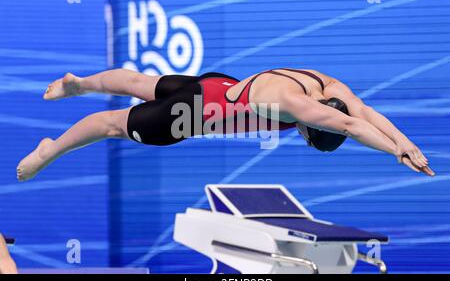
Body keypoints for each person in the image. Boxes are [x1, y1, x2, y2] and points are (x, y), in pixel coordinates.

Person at [17, 68, 434, 182]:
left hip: (220, 84)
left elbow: (362, 113)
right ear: (312, 125)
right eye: (307, 139)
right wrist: (392, 151)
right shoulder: (298, 107)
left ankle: (80, 84)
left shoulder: (323, 85)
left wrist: (406, 143)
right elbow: (352, 126)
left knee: (143, 83)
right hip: (197, 114)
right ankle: (51, 149)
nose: (301, 137)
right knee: (111, 124)